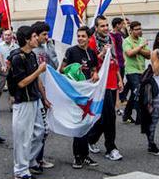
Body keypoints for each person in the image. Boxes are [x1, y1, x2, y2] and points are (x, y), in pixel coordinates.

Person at [9, 25, 48, 179]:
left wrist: (43, 97)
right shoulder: (18, 58)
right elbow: (21, 83)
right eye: (33, 36)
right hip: (23, 101)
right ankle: (20, 170)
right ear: (26, 39)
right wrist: (39, 71)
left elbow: (36, 80)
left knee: (41, 131)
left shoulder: (31, 55)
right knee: (23, 137)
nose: (36, 39)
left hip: (34, 99)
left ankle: (30, 160)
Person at [60, 26, 100, 169]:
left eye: (83, 36)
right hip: (76, 93)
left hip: (88, 93)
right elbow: (62, 69)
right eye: (79, 36)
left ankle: (86, 155)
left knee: (87, 123)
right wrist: (74, 69)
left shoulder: (91, 52)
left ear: (89, 38)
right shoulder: (71, 51)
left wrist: (95, 73)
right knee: (78, 124)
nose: (80, 38)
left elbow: (94, 68)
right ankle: (77, 156)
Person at [87, 15, 124, 161]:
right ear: (96, 28)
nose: (105, 28)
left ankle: (90, 138)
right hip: (100, 84)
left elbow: (114, 61)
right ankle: (111, 148)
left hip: (112, 81)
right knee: (110, 116)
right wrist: (102, 53)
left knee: (105, 117)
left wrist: (120, 79)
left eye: (106, 25)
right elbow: (91, 63)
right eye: (102, 26)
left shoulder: (111, 39)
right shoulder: (91, 42)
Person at [31, 21, 57, 170]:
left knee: (43, 129)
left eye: (47, 34)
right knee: (41, 129)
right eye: (44, 35)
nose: (46, 37)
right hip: (37, 93)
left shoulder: (46, 47)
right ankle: (35, 159)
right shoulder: (33, 51)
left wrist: (51, 48)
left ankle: (38, 158)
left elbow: (55, 65)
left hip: (47, 89)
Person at [122, 21, 150, 124]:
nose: (139, 31)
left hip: (142, 70)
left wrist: (138, 49)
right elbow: (129, 53)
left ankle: (126, 115)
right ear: (131, 31)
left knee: (134, 94)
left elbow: (148, 55)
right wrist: (141, 47)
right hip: (131, 71)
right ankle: (140, 117)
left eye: (140, 29)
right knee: (138, 92)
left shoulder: (142, 40)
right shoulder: (127, 41)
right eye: (137, 29)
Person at [0, 29, 19, 104]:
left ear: (12, 36)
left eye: (9, 35)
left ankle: (12, 105)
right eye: (5, 35)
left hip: (12, 71)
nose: (7, 36)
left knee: (12, 89)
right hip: (2, 71)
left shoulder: (16, 47)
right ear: (3, 36)